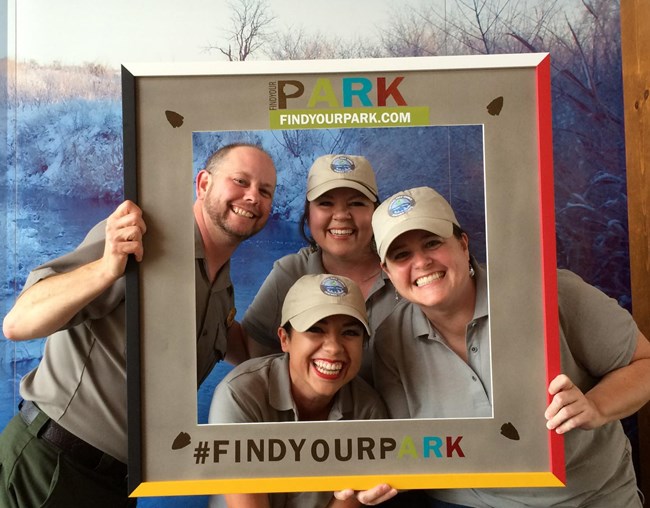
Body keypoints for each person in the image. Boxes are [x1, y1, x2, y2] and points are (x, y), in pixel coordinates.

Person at [0, 143, 277, 508]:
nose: (252, 197)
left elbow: (242, 349)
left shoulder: (222, 289)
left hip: (119, 486)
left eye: (265, 191)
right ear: (204, 183)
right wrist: (106, 268)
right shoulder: (137, 237)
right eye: (240, 181)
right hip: (52, 468)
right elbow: (18, 323)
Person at [370, 186, 650, 507]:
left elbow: (644, 364)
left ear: (463, 244)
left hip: (589, 497)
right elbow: (412, 451)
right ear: (387, 272)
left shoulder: (550, 292)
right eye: (401, 255)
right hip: (467, 502)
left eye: (432, 242)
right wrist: (368, 481)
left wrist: (595, 406)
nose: (421, 262)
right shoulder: (388, 341)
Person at [208, 273, 397, 508]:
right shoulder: (240, 395)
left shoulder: (367, 410)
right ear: (284, 339)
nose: (334, 348)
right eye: (315, 329)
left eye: (350, 333)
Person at [239, 154, 400, 381]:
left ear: (376, 211)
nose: (342, 215)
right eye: (325, 203)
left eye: (356, 203)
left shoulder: (406, 271)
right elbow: (252, 358)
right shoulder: (289, 274)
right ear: (308, 214)